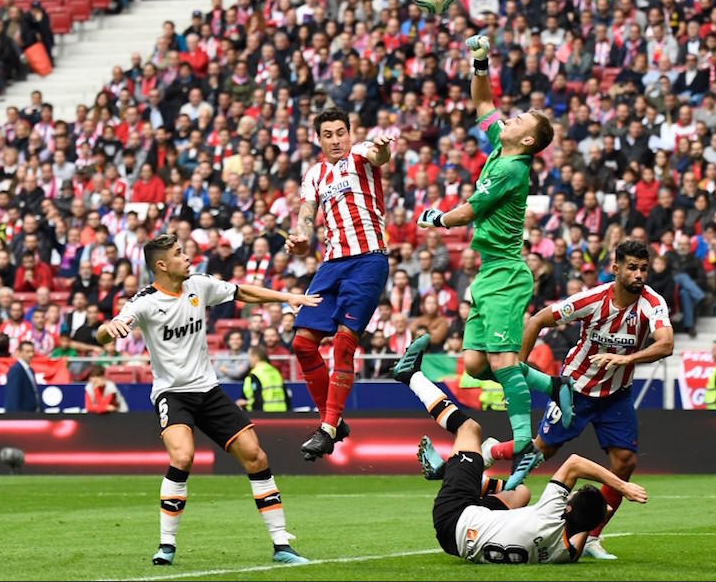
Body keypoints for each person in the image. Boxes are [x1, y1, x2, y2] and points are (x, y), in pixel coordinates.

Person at [96, 233, 320, 566]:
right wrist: (109, 327)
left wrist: (287, 296)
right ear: (161, 265)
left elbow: (242, 291)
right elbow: (106, 332)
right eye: (178, 253)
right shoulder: (144, 301)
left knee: (256, 456)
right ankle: (166, 545)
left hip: (208, 391)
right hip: (173, 394)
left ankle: (281, 545)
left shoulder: (198, 285)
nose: (187, 257)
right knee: (183, 456)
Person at [416, 34, 573, 484]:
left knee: (503, 362)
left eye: (519, 117)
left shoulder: (509, 168)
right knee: (477, 365)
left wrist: (436, 219)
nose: (510, 116)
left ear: (526, 138)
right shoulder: (500, 147)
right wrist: (480, 61)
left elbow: (468, 211)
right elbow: (483, 102)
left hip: (506, 273)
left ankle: (522, 440)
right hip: (488, 275)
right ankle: (553, 386)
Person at [480, 239, 673, 559]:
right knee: (543, 449)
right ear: (615, 269)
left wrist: (627, 360)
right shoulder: (592, 299)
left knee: (626, 462)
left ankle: (592, 536)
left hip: (616, 396)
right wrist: (518, 374)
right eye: (632, 268)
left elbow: (666, 344)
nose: (639, 275)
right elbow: (537, 320)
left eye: (643, 268)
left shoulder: (652, 303)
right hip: (576, 390)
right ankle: (502, 494)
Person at [390, 333, 648, 563]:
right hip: (458, 544)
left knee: (469, 430)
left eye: (572, 495)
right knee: (520, 492)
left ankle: (410, 374)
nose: (570, 494)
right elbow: (583, 524)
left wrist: (622, 487)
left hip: (454, 515)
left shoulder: (551, 512)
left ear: (567, 508)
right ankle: (450, 473)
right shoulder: (566, 552)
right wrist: (599, 512)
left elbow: (575, 463)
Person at [284, 108, 393, 461]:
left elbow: (380, 154)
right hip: (331, 265)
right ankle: (335, 420)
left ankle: (327, 428)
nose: (336, 139)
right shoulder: (314, 174)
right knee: (302, 343)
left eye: (340, 132)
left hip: (367, 260)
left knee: (344, 344)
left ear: (350, 133)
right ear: (319, 139)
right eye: (328, 134)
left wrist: (382, 147)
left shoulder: (361, 155)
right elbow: (305, 216)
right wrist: (300, 238)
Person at [237, 346, 287, 412]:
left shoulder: (256, 373)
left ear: (255, 357)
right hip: (282, 413)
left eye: (249, 356)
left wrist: (246, 403)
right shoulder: (275, 371)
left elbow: (258, 398)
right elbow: (285, 395)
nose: (249, 360)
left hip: (264, 415)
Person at [4, 340, 40, 412]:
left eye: (32, 351)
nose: (31, 354)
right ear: (20, 353)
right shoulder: (16, 370)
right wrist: (16, 418)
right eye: (27, 352)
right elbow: (13, 395)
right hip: (22, 415)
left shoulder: (30, 370)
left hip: (32, 413)